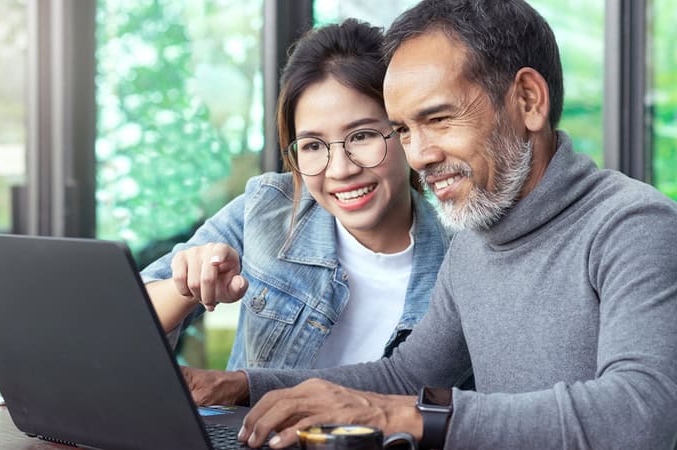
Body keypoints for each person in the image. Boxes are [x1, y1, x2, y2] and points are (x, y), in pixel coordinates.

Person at [181, 1, 677, 449]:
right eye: (402, 130)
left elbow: (641, 414)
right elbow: (407, 375)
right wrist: (242, 384)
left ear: (527, 100)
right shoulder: (475, 244)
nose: (419, 156)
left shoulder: (633, 226)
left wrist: (402, 416)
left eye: (438, 120)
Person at [141, 19, 451, 371]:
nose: (339, 169)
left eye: (362, 136)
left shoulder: (460, 258)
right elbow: (124, 321)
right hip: (254, 428)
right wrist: (186, 288)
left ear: (404, 131)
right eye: (313, 145)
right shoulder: (268, 208)